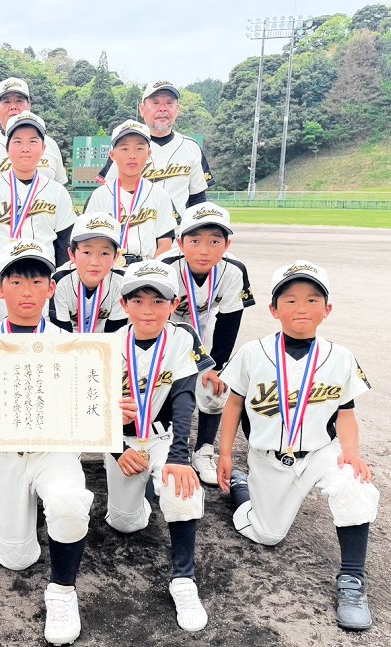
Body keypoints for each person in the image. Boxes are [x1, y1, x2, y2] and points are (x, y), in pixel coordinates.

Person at [217, 260, 378, 631]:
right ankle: (243, 489)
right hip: (268, 455)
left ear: (328, 308)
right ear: (273, 310)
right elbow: (234, 405)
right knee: (267, 535)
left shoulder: (340, 356)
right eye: (289, 300)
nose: (301, 308)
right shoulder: (253, 352)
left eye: (312, 299)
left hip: (322, 452)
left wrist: (350, 452)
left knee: (354, 486)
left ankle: (352, 580)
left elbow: (346, 413)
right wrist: (225, 454)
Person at [0, 239, 94, 645]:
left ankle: (62, 590)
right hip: (6, 455)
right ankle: (24, 522)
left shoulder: (73, 343)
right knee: (16, 558)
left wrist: (110, 411)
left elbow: (90, 407)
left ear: (51, 287)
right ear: (0, 287)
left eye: (36, 280)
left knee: (67, 502)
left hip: (54, 450)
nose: (26, 290)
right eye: (16, 280)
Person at [107, 259, 214, 632]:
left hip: (163, 436)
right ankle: (144, 497)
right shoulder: (108, 342)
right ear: (124, 304)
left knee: (181, 489)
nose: (148, 309)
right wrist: (115, 450)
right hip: (120, 441)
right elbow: (91, 407)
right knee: (125, 523)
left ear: (174, 304)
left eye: (158, 300)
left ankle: (184, 579)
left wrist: (181, 457)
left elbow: (186, 398)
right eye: (138, 300)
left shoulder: (183, 337)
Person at [158, 203, 255, 485]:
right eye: (195, 240)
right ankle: (167, 443)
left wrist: (217, 365)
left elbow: (230, 320)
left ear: (227, 244)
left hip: (205, 325)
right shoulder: (165, 266)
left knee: (215, 387)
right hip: (168, 326)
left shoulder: (233, 270)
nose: (204, 249)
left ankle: (203, 450)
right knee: (165, 382)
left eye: (214, 241)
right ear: (180, 243)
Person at [97, 81, 214, 218]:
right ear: (142, 109)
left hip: (177, 236)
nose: (163, 109)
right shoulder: (122, 148)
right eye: (155, 103)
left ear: (177, 109)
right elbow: (106, 195)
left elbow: (198, 198)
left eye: (169, 103)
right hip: (133, 232)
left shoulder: (191, 148)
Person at [0, 111, 76, 271]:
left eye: (33, 141)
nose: (25, 148)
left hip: (44, 275)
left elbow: (64, 245)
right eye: (17, 141)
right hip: (1, 274)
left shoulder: (58, 192)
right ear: (7, 147)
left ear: (44, 148)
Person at [85, 120, 177, 262]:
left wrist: (150, 271)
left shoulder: (160, 195)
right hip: (109, 268)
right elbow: (89, 240)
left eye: (139, 148)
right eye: (124, 148)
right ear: (112, 154)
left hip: (147, 266)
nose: (132, 155)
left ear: (149, 153)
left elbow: (165, 243)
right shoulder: (100, 196)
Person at [0, 77, 67, 193]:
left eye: (19, 101)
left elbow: (61, 191)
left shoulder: (49, 144)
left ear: (29, 107)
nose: (13, 106)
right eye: (6, 101)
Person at [49, 212, 126, 333]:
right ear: (71, 254)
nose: (95, 262)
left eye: (104, 253)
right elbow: (60, 333)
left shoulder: (122, 281)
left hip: (108, 346)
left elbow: (115, 334)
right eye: (87, 252)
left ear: (115, 257)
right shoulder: (59, 280)